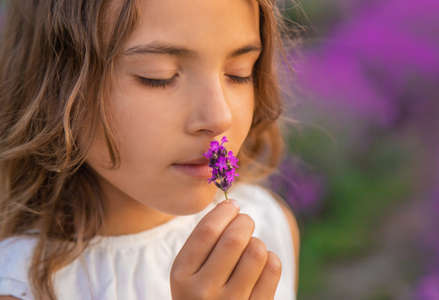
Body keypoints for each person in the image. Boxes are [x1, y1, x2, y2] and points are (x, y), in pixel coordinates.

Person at [0, 0, 300, 299]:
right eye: (158, 76)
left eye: (239, 72)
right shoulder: (23, 286)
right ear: (57, 85)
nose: (219, 117)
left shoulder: (268, 224)